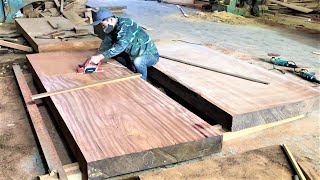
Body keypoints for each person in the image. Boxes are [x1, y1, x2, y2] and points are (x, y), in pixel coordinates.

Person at [90, 8, 159, 80]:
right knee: (115, 55)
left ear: (110, 19)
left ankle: (143, 80)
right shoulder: (112, 27)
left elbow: (121, 46)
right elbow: (106, 43)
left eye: (103, 25)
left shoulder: (126, 25)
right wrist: (96, 56)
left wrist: (100, 57)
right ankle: (131, 70)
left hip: (150, 55)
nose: (102, 27)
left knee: (138, 62)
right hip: (134, 54)